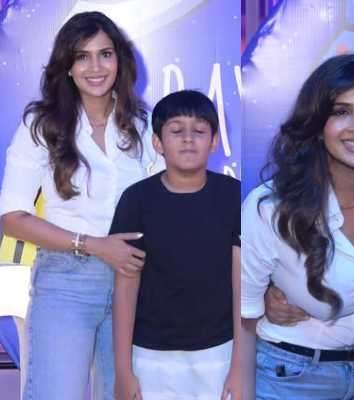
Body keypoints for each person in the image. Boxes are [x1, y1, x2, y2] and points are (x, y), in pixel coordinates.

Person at [0, 11, 160, 400]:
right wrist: (92, 245)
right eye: (82, 56)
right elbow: (13, 217)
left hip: (134, 282)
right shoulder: (42, 125)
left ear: (119, 59)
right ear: (67, 66)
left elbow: (164, 201)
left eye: (105, 54)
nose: (95, 67)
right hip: (66, 283)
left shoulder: (143, 123)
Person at [241, 53, 354, 400]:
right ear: (317, 125)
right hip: (291, 378)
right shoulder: (270, 207)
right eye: (340, 112)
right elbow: (243, 313)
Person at [111, 90, 241, 400]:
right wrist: (123, 371)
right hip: (150, 356)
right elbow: (125, 287)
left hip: (219, 354)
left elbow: (242, 284)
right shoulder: (136, 200)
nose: (188, 140)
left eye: (199, 131)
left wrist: (239, 365)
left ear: (214, 141)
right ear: (157, 142)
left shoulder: (233, 195)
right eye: (176, 130)